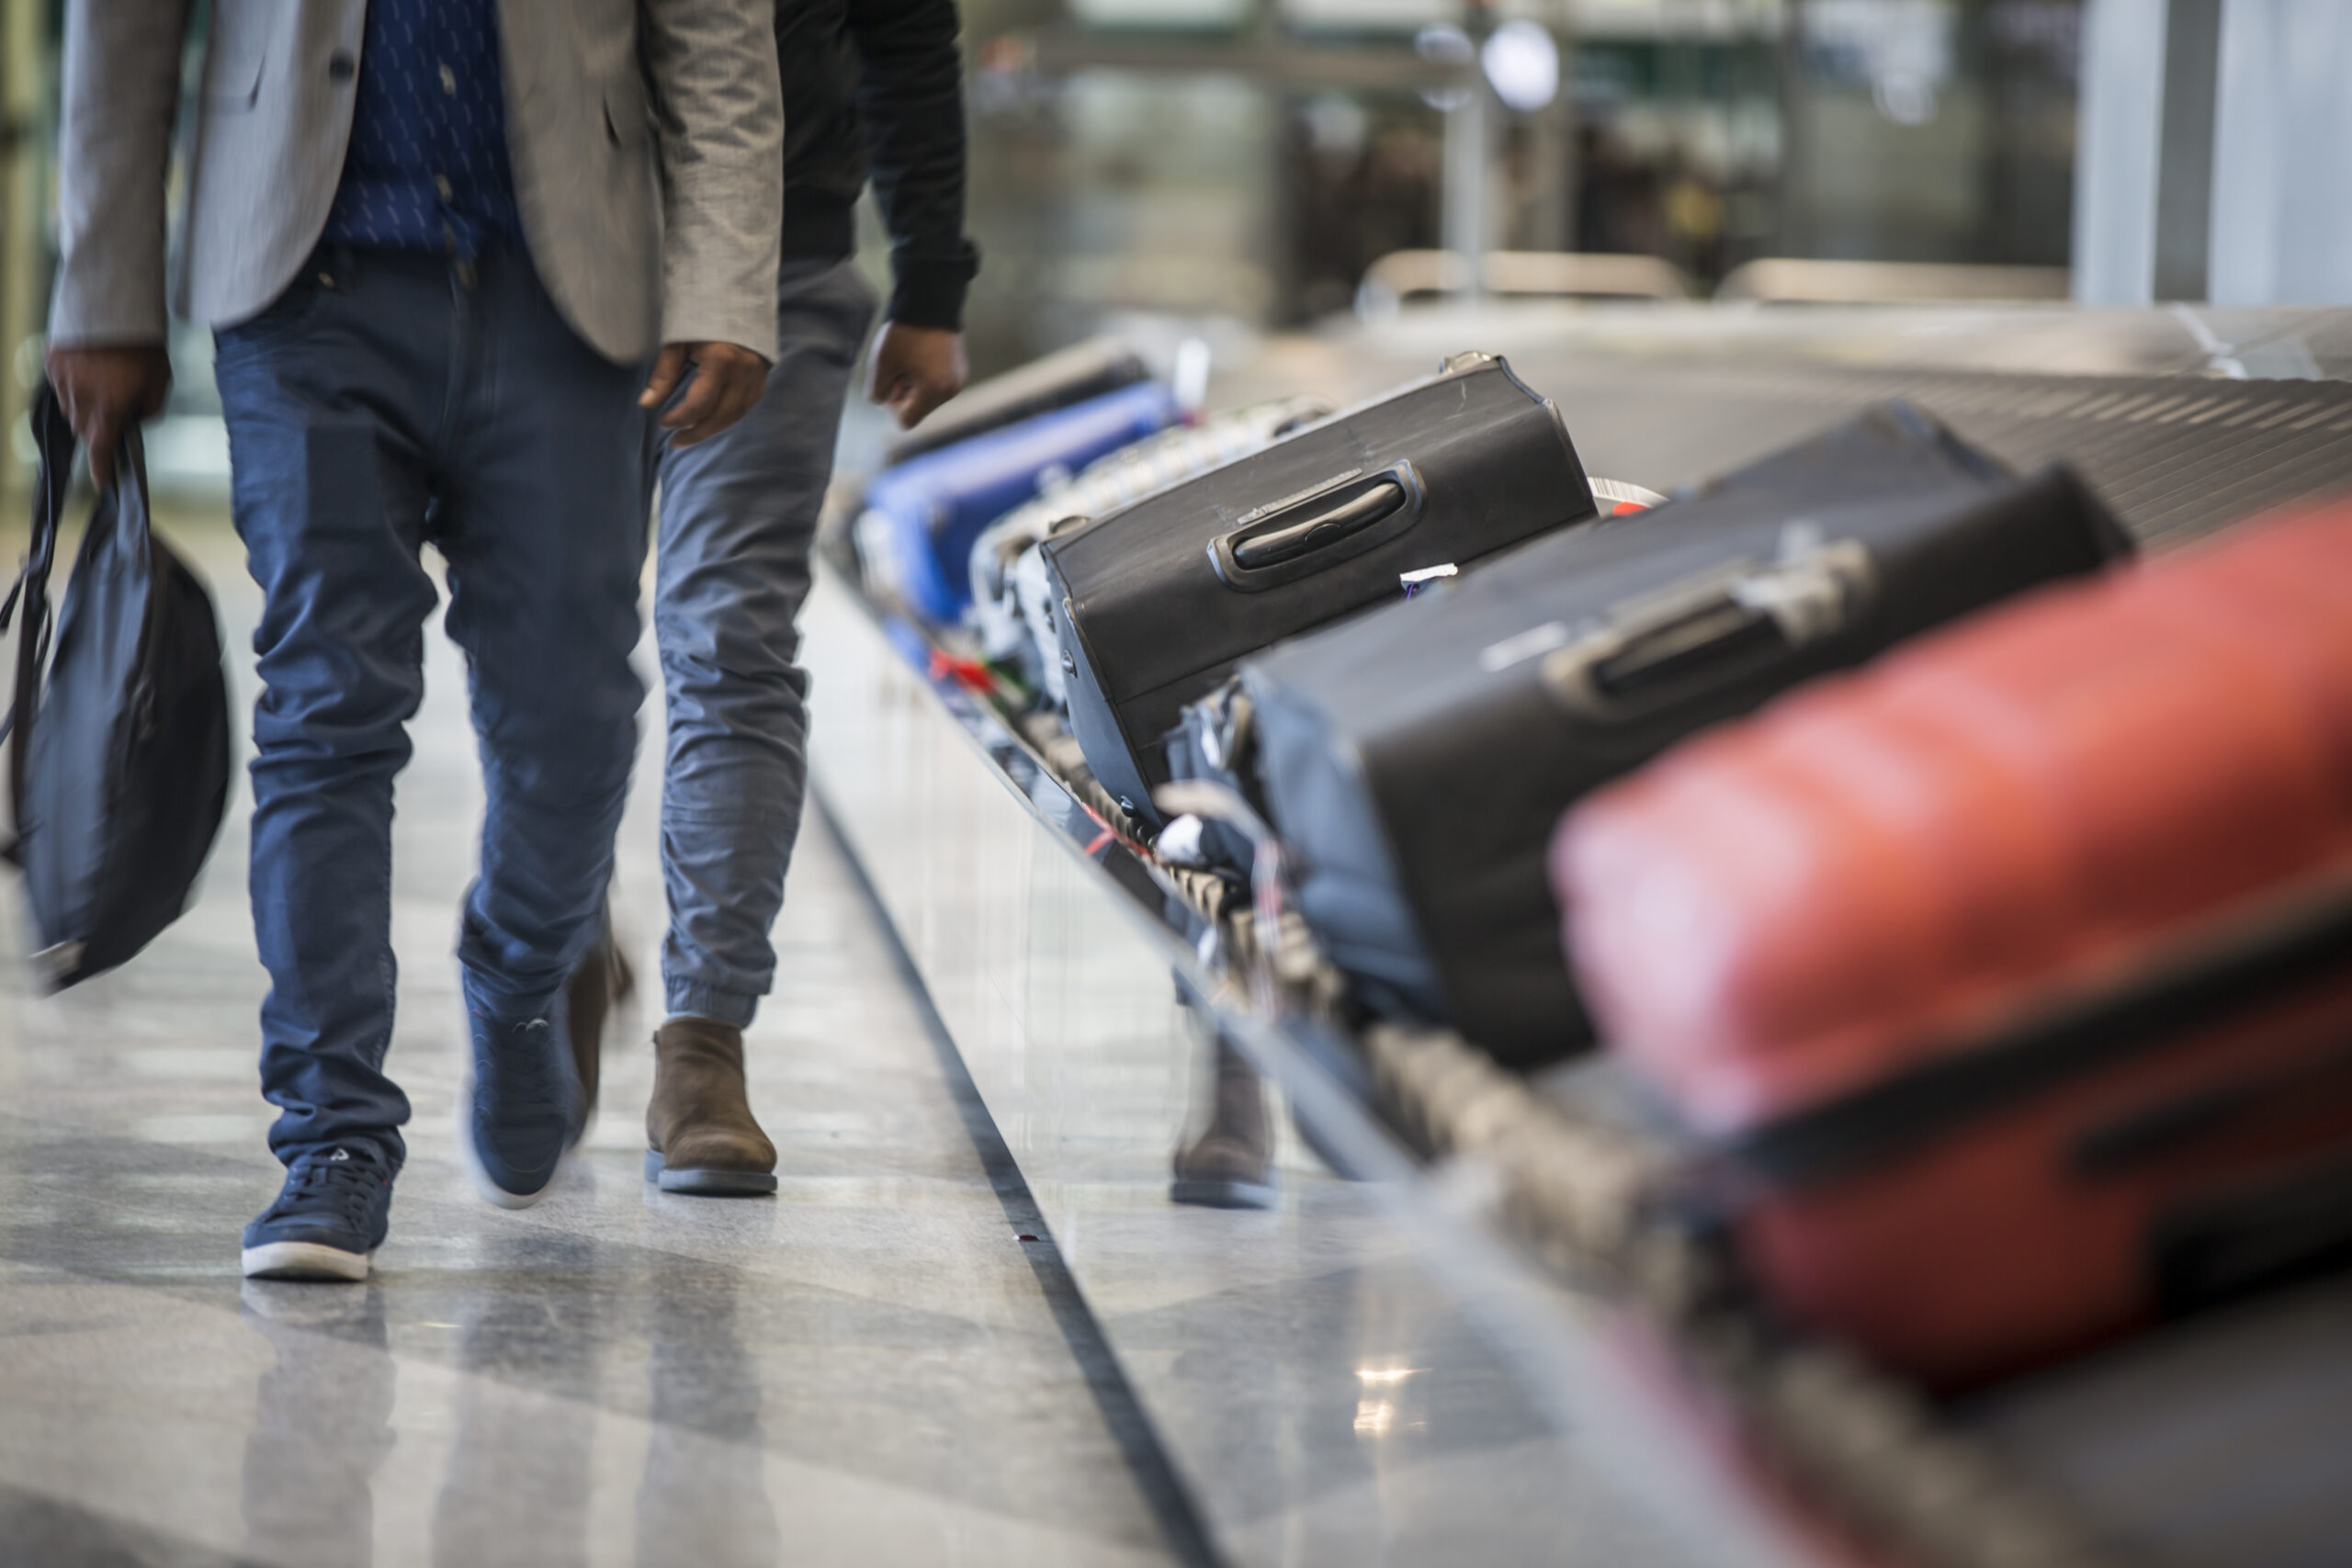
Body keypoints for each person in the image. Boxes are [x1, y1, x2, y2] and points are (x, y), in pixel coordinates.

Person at [45, 0, 785, 1280]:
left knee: (573, 716)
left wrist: (724, 279)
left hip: (569, 289)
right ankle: (329, 1139)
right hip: (306, 282)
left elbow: (717, 30)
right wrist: (104, 284)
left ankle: (520, 972)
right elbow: (123, 27)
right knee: (325, 709)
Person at [565, 0, 979, 1194]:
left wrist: (934, 277)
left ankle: (703, 1043)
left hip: (781, 254)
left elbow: (907, 34)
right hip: (555, 248)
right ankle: (559, 935)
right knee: (553, 630)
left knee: (729, 635)